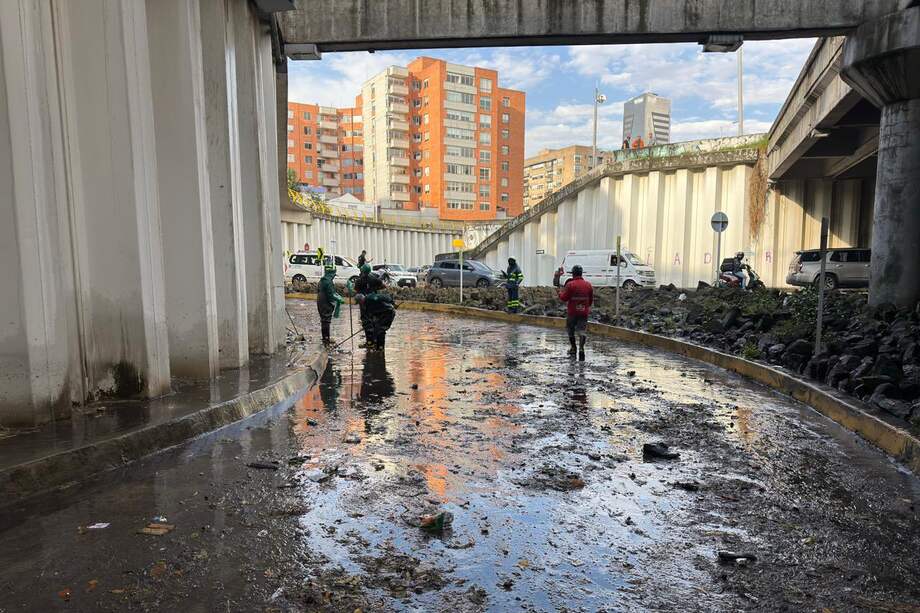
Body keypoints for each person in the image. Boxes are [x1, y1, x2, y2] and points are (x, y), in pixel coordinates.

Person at [558, 264, 594, 361]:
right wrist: (585, 307)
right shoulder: (588, 285)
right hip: (584, 312)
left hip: (572, 312)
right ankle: (582, 348)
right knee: (582, 330)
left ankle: (573, 348)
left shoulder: (570, 285)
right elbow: (590, 300)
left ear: (573, 274)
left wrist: (560, 293)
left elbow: (564, 298)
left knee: (570, 330)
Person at [352, 264, 385, 347]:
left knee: (366, 321)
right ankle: (375, 341)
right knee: (374, 320)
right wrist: (375, 289)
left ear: (362, 271)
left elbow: (355, 290)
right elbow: (383, 286)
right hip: (373, 301)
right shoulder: (374, 279)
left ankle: (369, 342)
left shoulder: (359, 280)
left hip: (364, 303)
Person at [316, 260, 344, 345]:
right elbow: (331, 294)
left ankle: (325, 337)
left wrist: (336, 294)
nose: (334, 277)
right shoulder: (328, 281)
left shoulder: (323, 280)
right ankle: (326, 339)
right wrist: (339, 299)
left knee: (324, 320)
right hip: (325, 302)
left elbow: (331, 292)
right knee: (326, 320)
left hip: (321, 300)